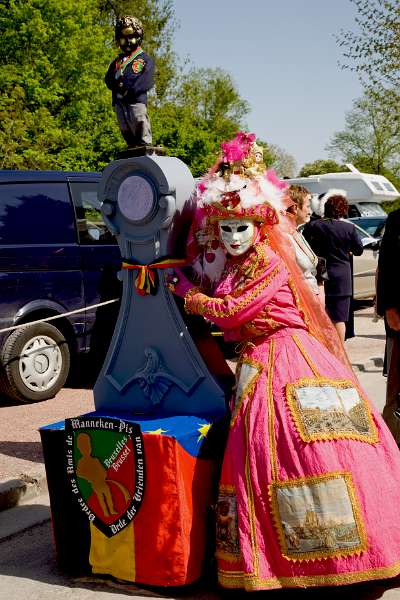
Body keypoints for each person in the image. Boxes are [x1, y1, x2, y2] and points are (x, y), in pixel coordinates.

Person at [167, 132, 400, 591]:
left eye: (243, 228)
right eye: (227, 228)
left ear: (260, 227)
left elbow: (230, 312)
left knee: (310, 450)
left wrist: (187, 293)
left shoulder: (272, 263)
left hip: (291, 357)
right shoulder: (236, 267)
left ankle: (345, 555)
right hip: (257, 362)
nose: (234, 237)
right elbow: (228, 314)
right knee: (257, 456)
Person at [303, 190, 363, 344]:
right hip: (342, 278)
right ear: (344, 210)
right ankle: (339, 353)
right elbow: (359, 250)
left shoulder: (313, 226)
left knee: (320, 316)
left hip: (319, 276)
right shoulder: (348, 228)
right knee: (339, 318)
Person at [105, 15, 154, 147]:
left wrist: (132, 90)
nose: (127, 41)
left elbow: (147, 79)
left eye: (131, 37)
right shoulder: (117, 61)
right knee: (124, 124)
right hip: (119, 101)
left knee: (139, 121)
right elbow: (108, 78)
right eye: (123, 38)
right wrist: (115, 86)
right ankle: (131, 146)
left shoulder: (143, 59)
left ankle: (145, 145)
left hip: (135, 100)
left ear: (138, 37)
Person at [376, 208, 400, 443]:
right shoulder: (396, 219)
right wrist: (389, 307)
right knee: (396, 379)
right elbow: (387, 264)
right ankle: (394, 437)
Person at [286, 185, 326, 301]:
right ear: (295, 208)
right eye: (308, 206)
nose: (310, 211)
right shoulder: (286, 238)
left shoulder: (297, 232)